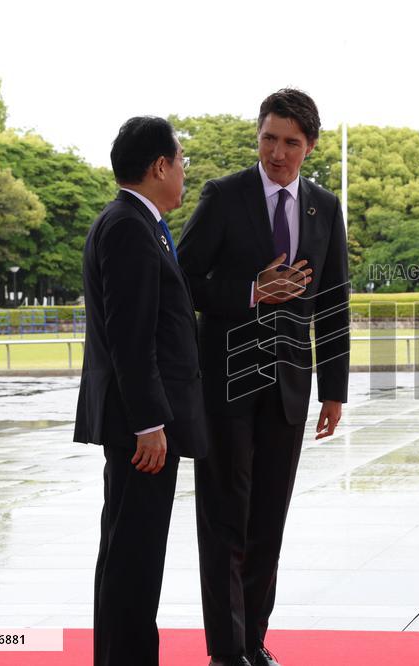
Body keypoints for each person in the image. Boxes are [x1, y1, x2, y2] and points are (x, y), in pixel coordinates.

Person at [177, 88, 350, 666]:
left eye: (291, 143)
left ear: (310, 146)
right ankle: (226, 652)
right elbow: (183, 280)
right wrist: (251, 291)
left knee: (267, 521)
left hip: (290, 386)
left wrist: (334, 389)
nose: (278, 153)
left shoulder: (324, 207)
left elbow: (332, 301)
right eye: (269, 139)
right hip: (225, 383)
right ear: (259, 136)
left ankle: (253, 641)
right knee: (224, 518)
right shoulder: (224, 196)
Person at [73, 116, 210, 666]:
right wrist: (149, 423)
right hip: (142, 429)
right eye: (180, 162)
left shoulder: (137, 221)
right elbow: (132, 336)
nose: (183, 172)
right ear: (159, 166)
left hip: (141, 421)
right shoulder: (129, 226)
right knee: (134, 556)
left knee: (129, 552)